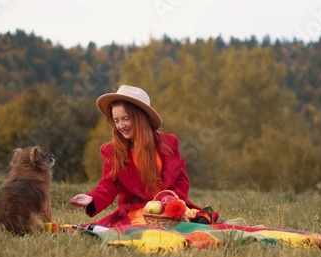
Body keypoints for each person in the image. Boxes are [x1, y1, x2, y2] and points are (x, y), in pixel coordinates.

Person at [70, 85, 215, 227]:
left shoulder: (168, 143)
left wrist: (167, 201)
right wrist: (91, 197)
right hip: (139, 209)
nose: (121, 126)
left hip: (169, 204)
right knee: (143, 227)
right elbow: (108, 184)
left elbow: (181, 180)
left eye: (125, 118)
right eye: (116, 120)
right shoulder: (113, 151)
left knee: (199, 220)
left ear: (140, 117)